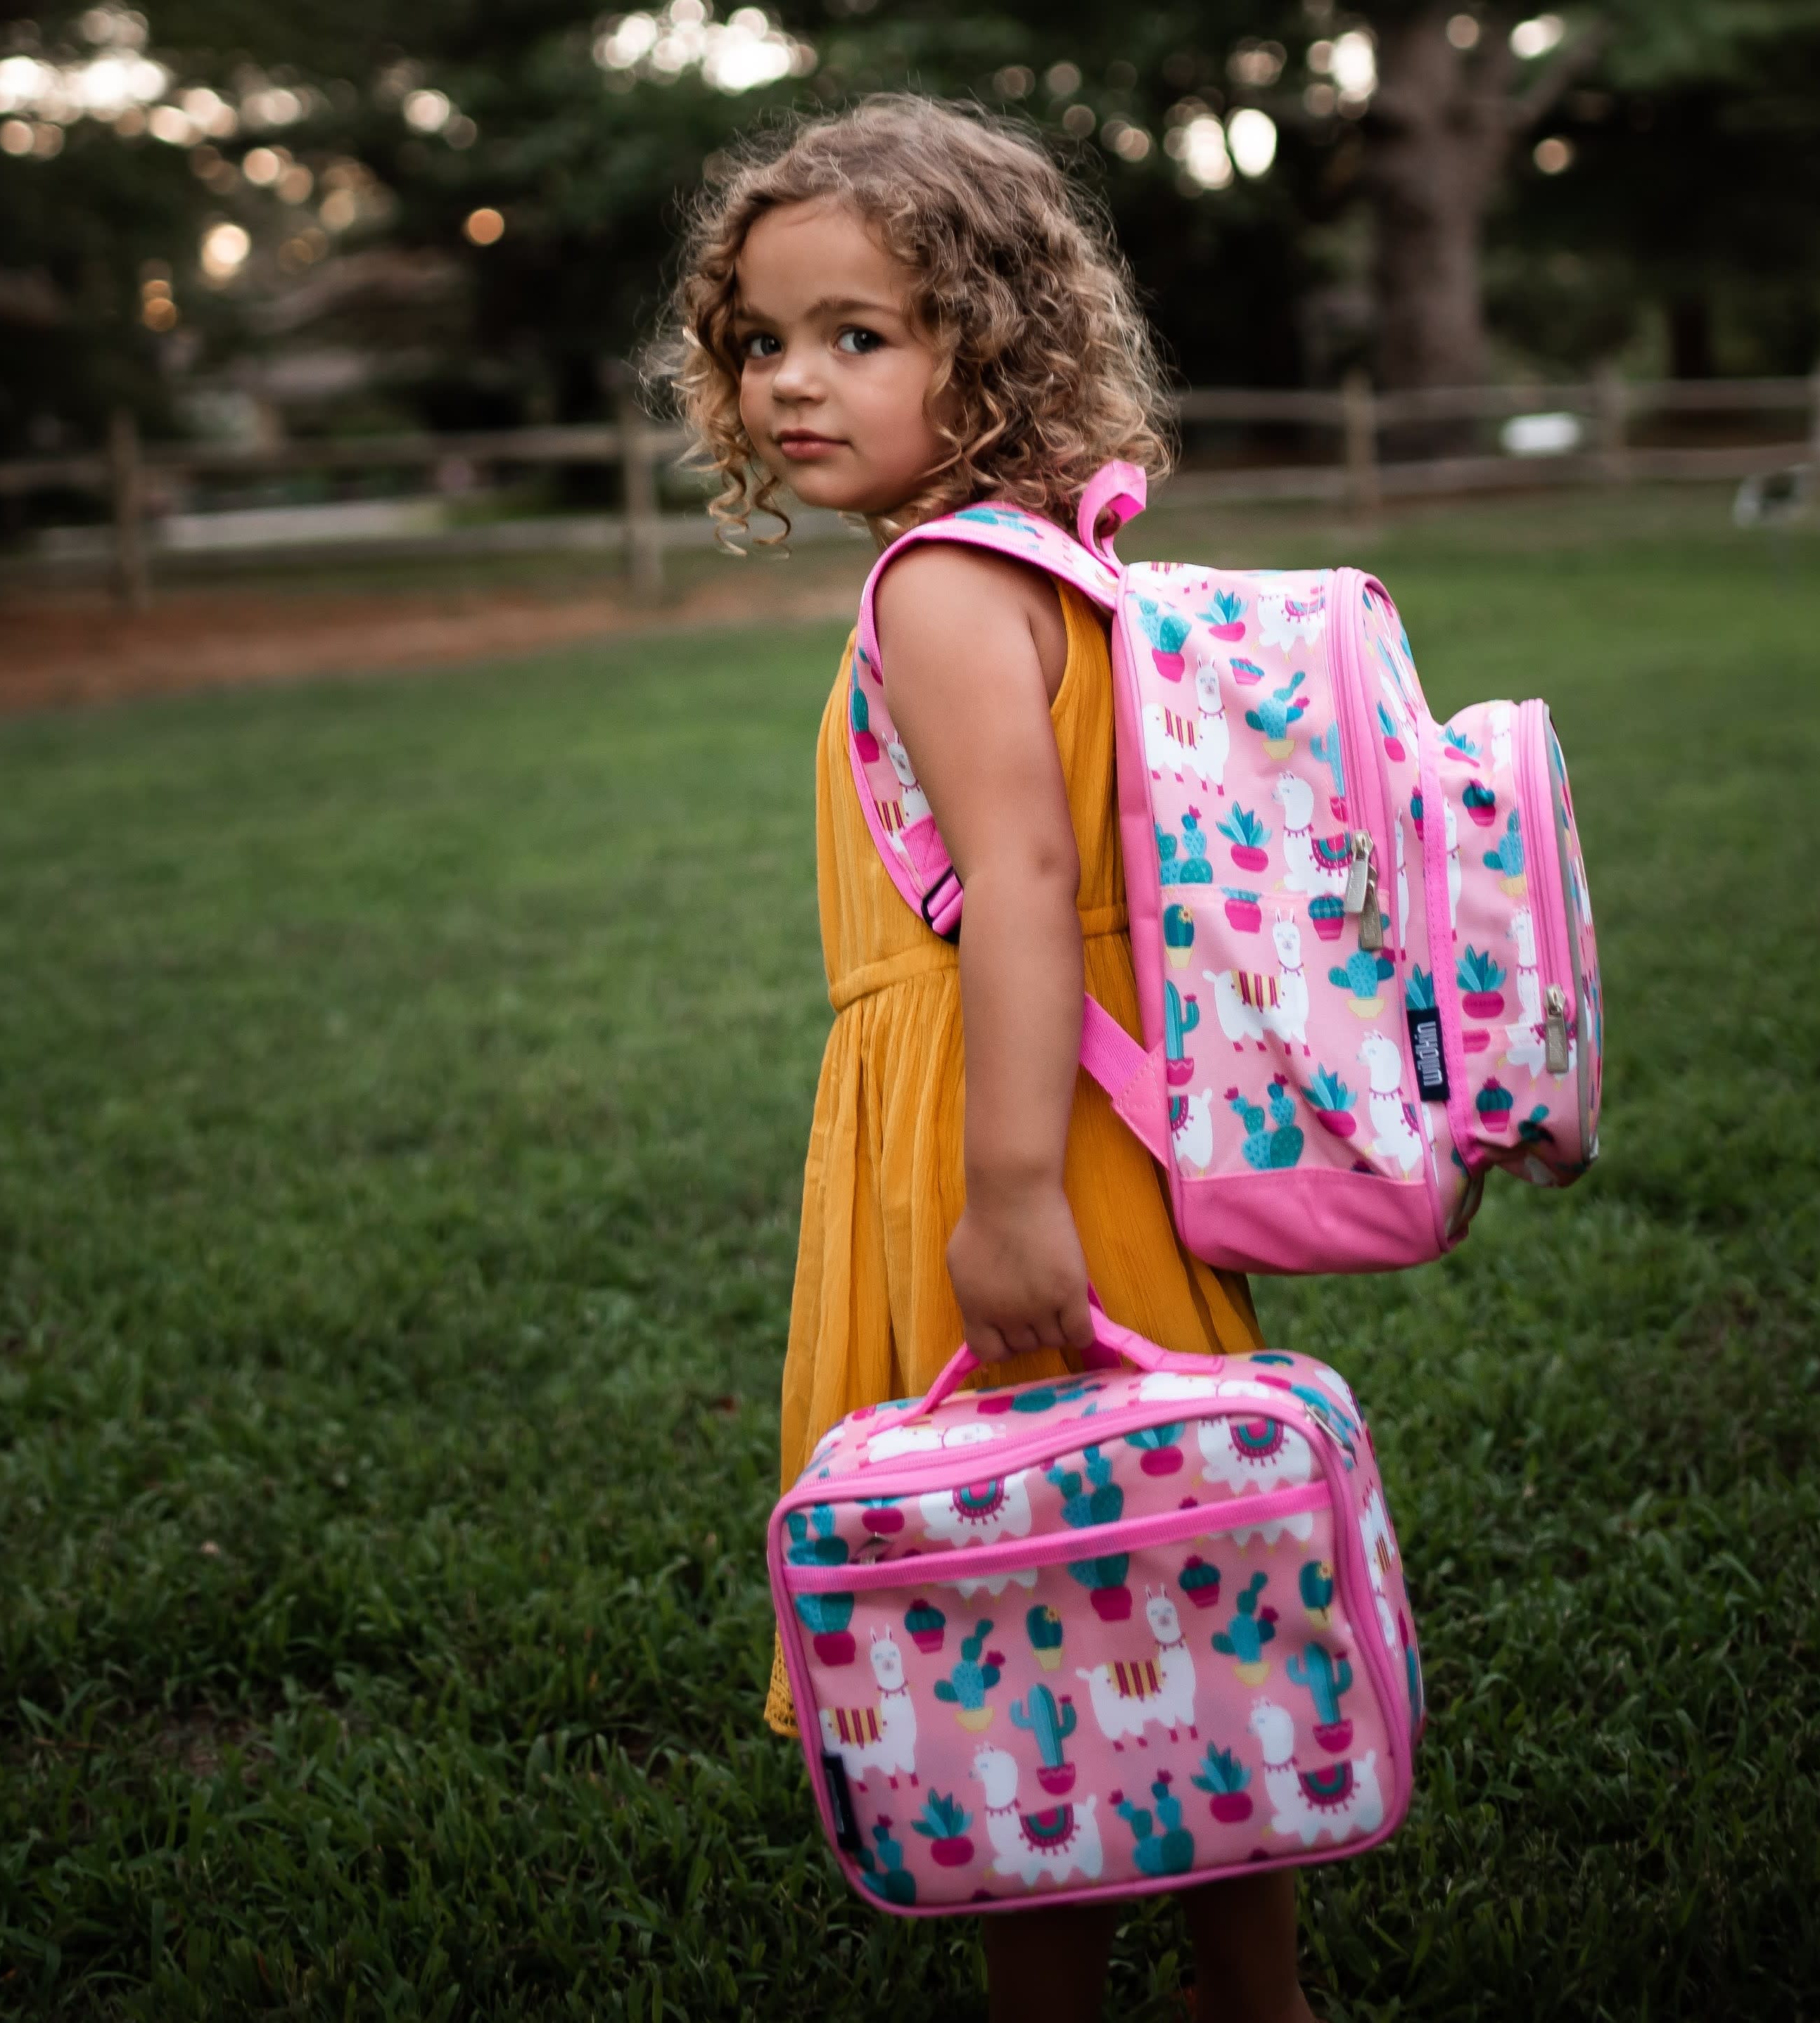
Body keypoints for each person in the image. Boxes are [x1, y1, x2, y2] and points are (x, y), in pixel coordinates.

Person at [658, 96, 1318, 2023]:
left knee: (1021, 1611)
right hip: (1093, 1119)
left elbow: (1022, 885)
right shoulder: (1041, 556)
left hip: (1004, 1133)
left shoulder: (940, 584)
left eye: (858, 333)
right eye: (761, 340)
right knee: (1170, 1580)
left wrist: (1007, 1192)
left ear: (991, 337)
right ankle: (1251, 1990)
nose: (792, 380)